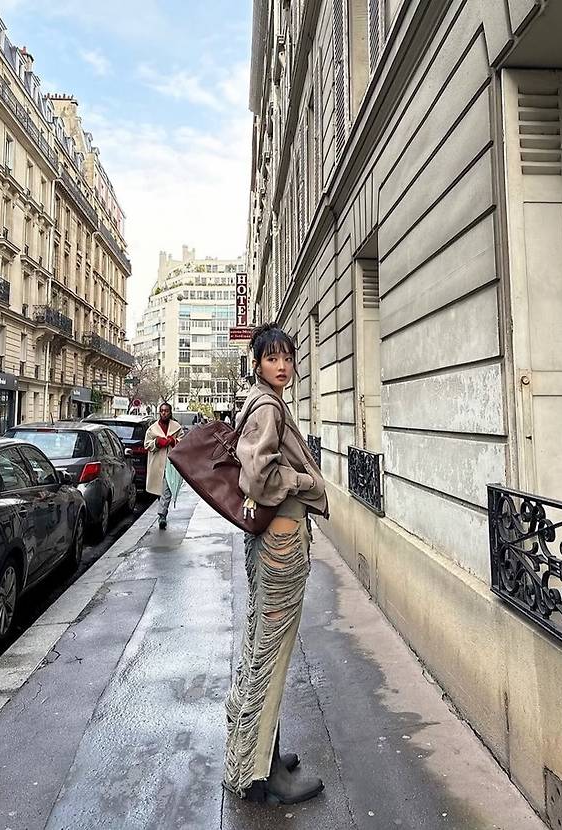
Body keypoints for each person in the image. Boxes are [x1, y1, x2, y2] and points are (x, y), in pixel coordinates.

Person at [223, 322, 328, 805]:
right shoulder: (268, 406)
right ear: (258, 363)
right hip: (281, 540)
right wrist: (307, 483)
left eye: (287, 357)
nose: (282, 366)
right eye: (272, 358)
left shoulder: (265, 400)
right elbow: (259, 476)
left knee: (264, 650)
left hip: (273, 537)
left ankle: (261, 756)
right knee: (272, 653)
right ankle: (262, 777)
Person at [144, 402, 183, 529]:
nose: (164, 413)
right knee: (159, 491)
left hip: (171, 464)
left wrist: (174, 441)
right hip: (156, 464)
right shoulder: (152, 429)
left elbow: (183, 442)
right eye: (162, 411)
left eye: (166, 411)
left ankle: (162, 516)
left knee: (167, 489)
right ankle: (162, 509)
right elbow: (147, 444)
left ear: (170, 412)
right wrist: (157, 443)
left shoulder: (176, 427)